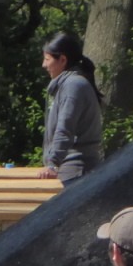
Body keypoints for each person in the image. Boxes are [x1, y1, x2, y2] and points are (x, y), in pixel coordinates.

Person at [37, 32, 103, 184]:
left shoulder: (73, 86)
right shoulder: (71, 84)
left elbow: (65, 129)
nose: (44, 65)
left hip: (76, 172)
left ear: (63, 60)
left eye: (47, 59)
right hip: (71, 170)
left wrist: (52, 164)